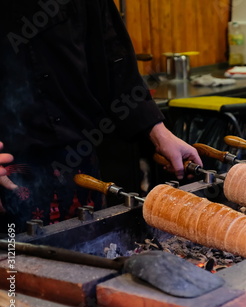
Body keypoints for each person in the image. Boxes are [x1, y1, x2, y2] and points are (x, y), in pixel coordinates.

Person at [0, 0, 202, 232]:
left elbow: (115, 63)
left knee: (86, 255)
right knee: (15, 266)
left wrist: (160, 133)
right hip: (9, 169)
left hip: (78, 163)